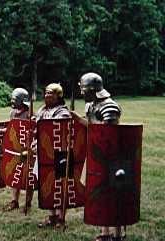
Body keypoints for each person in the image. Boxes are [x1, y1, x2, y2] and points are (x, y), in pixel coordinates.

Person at [72, 72, 122, 241]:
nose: (82, 93)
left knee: (112, 195)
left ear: (92, 90)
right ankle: (104, 232)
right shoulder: (90, 106)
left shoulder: (109, 107)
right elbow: (93, 127)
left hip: (111, 158)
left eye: (84, 90)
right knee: (98, 194)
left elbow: (108, 133)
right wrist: (77, 119)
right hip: (95, 156)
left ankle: (117, 234)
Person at [37, 83, 71, 228]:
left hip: (59, 153)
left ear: (58, 95)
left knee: (61, 185)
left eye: (50, 93)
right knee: (47, 184)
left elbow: (60, 129)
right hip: (44, 152)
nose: (46, 96)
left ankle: (61, 218)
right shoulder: (42, 110)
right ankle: (51, 216)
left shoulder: (62, 112)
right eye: (45, 93)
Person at [0, 88, 34, 212]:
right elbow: (10, 128)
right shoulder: (12, 113)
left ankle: (28, 203)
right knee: (15, 174)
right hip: (16, 148)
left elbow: (35, 130)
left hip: (28, 148)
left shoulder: (30, 113)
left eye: (14, 99)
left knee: (28, 176)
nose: (12, 101)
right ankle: (14, 201)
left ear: (21, 101)